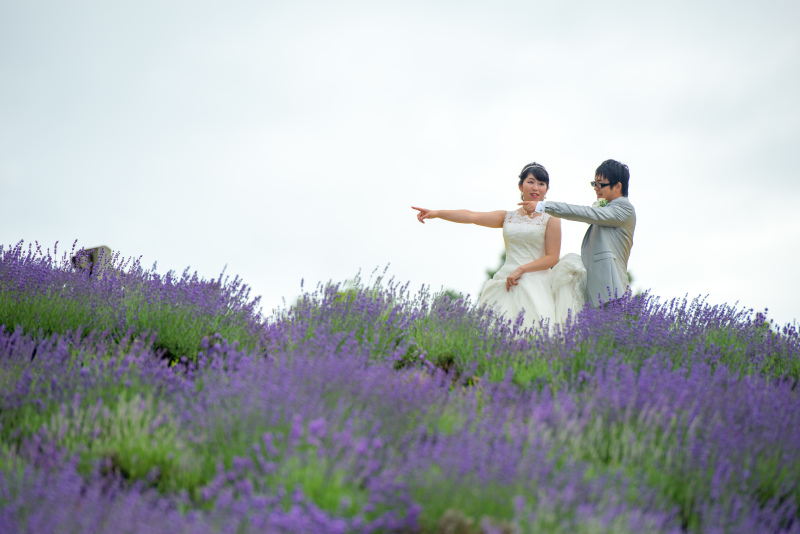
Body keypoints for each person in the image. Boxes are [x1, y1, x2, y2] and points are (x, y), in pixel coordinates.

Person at [412, 162, 586, 329]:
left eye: (541, 183)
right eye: (531, 182)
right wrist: (436, 213)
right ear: (520, 186)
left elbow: (552, 258)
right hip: (506, 281)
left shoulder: (551, 218)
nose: (535, 187)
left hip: (537, 284)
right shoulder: (507, 217)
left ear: (546, 189)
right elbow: (473, 216)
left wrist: (522, 270)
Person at [522, 159, 635, 307]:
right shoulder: (608, 208)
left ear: (617, 186)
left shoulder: (624, 208)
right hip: (597, 291)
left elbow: (585, 212)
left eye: (600, 184)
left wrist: (543, 206)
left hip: (610, 291)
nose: (596, 188)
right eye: (594, 184)